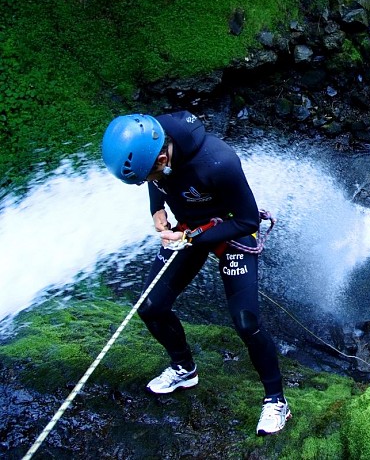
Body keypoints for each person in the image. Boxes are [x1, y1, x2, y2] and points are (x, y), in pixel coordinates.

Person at [101, 112, 290, 436]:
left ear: (163, 156)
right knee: (151, 307)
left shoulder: (218, 162)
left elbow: (247, 221)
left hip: (232, 230)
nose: (150, 182)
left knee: (246, 320)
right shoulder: (154, 141)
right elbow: (158, 180)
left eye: (148, 175)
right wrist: (157, 210)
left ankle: (276, 400)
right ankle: (184, 369)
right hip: (190, 228)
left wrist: (191, 237)